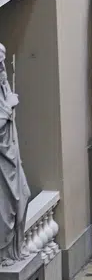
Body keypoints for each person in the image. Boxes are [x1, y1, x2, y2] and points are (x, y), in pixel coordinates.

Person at [0, 43, 30, 265]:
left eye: (3, 63)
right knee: (6, 209)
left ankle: (16, 248)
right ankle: (6, 251)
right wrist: (9, 107)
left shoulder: (3, 88)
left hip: (12, 158)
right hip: (3, 166)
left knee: (25, 195)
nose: (3, 68)